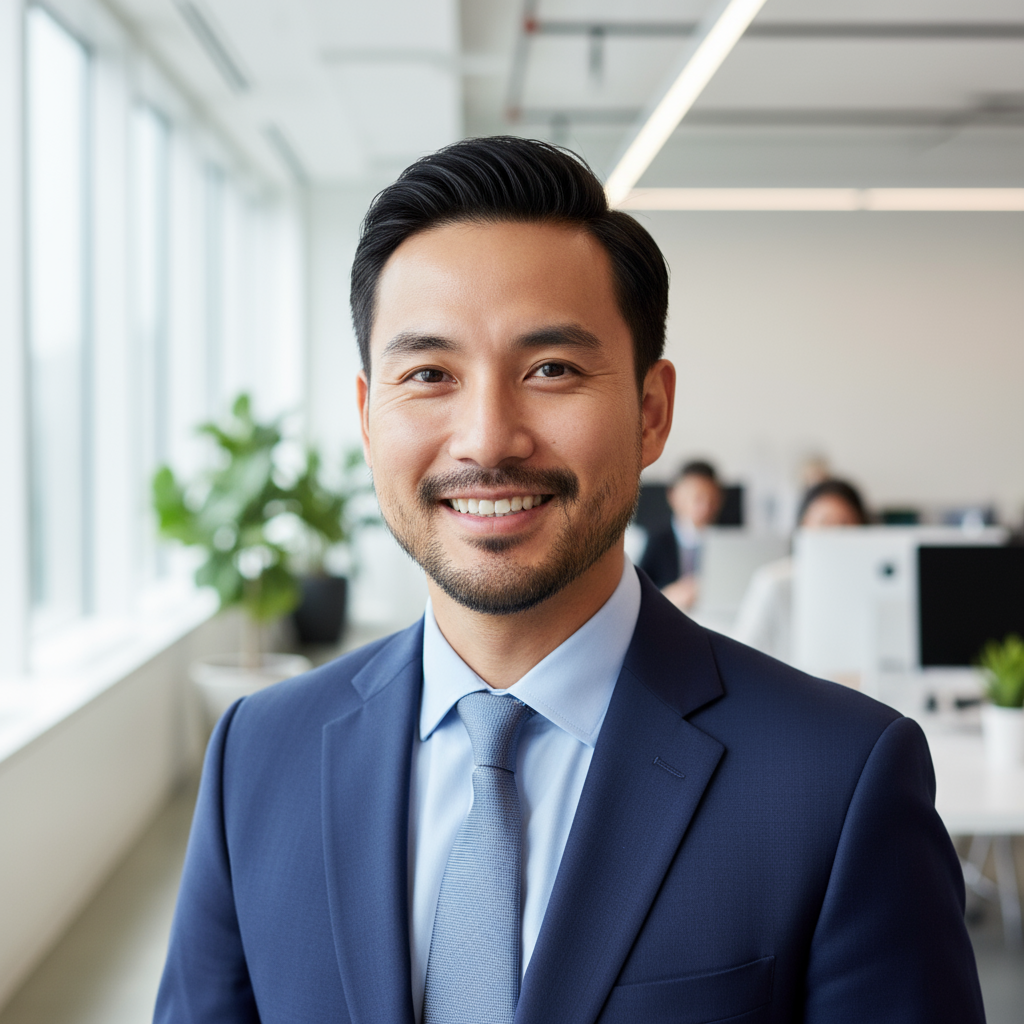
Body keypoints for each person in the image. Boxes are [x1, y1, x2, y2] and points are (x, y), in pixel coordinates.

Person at [155, 139, 983, 1024]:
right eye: (429, 374)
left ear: (651, 412)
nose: (487, 438)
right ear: (367, 417)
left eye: (550, 369)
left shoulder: (837, 780)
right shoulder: (260, 754)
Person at [733, 478, 870, 663]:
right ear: (803, 526)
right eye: (824, 523)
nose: (834, 534)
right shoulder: (774, 582)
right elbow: (742, 654)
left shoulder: (871, 586)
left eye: (845, 525)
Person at [638, 460, 723, 610]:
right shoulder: (656, 540)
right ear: (674, 496)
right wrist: (667, 595)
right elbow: (639, 593)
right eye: (697, 498)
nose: (705, 508)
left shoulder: (726, 541)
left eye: (712, 499)